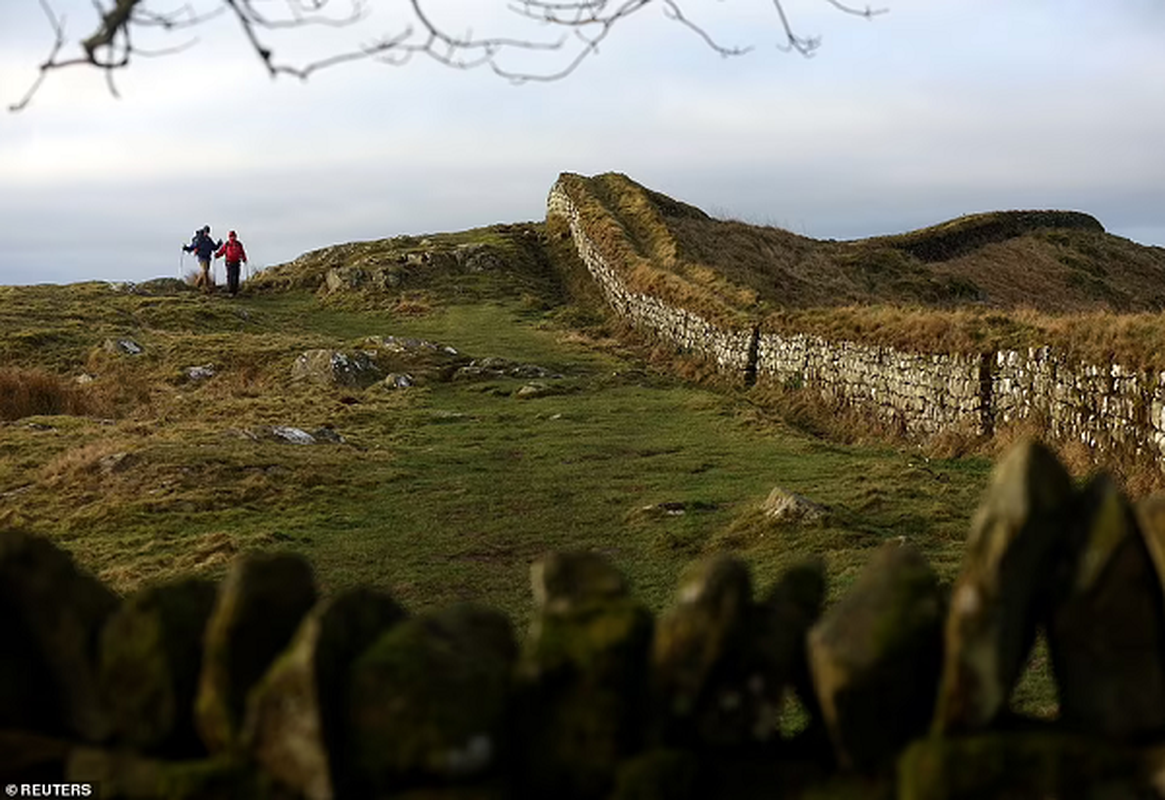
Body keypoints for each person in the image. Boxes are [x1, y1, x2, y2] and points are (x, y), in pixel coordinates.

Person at [182, 226, 222, 293]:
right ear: (204, 231)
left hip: (208, 258)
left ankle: (196, 286)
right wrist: (186, 248)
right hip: (201, 257)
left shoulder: (208, 239)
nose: (207, 233)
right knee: (205, 271)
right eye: (206, 232)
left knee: (203, 272)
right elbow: (193, 246)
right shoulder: (199, 239)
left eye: (208, 232)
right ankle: (207, 287)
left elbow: (214, 247)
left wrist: (219, 244)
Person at [215, 230, 248, 297]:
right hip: (229, 262)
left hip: (237, 262)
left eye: (234, 236)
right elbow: (222, 251)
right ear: (229, 237)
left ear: (235, 236)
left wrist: (244, 258)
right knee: (230, 277)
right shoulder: (227, 244)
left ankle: (235, 291)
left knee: (236, 277)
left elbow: (242, 252)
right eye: (231, 236)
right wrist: (217, 255)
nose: (233, 238)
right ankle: (231, 291)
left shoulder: (239, 244)